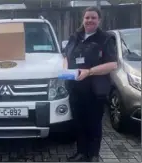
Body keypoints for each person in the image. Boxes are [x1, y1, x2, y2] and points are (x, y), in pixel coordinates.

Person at [62, 6, 118, 162]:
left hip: (95, 90)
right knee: (79, 122)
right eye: (87, 17)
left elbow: (112, 64)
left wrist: (89, 71)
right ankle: (81, 152)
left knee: (94, 123)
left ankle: (93, 155)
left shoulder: (105, 39)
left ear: (99, 20)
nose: (90, 20)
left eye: (93, 17)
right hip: (76, 88)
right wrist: (65, 69)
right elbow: (65, 55)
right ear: (83, 19)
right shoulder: (75, 36)